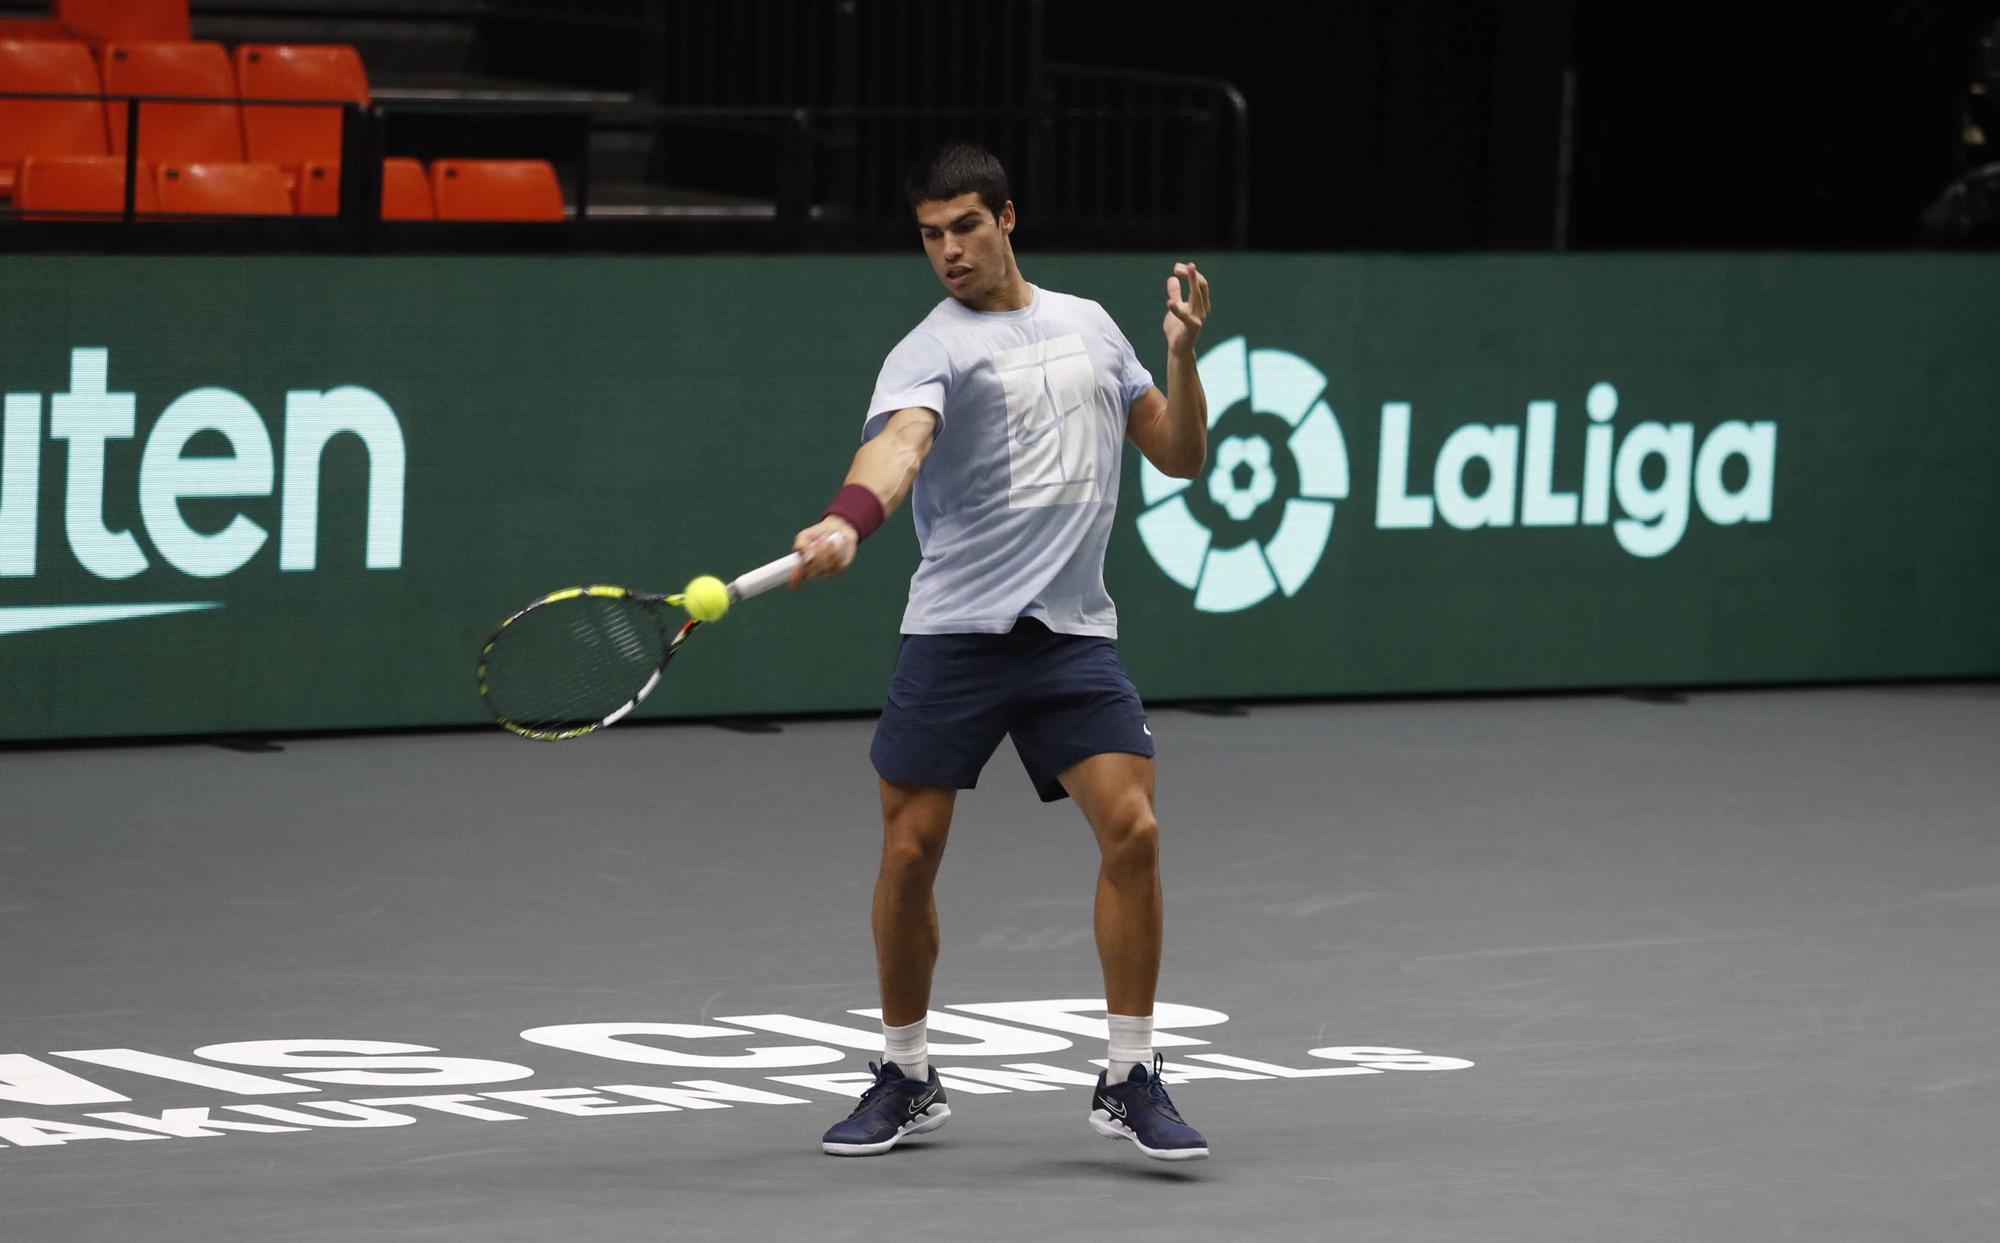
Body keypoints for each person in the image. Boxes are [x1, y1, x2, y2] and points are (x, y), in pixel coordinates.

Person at [788, 141, 1213, 1162]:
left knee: (1136, 833)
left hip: (1069, 636)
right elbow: (895, 448)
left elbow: (1180, 457)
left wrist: (1181, 358)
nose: (947, 250)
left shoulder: (1091, 329)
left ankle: (1129, 1071)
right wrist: (850, 518)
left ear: (1006, 219)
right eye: (929, 234)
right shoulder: (926, 349)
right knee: (906, 853)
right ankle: (905, 1070)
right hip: (955, 634)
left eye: (964, 227)